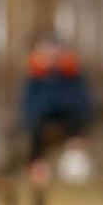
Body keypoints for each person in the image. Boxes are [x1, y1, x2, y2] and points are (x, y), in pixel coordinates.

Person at [20, 32, 94, 186]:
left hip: (69, 115)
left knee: (75, 120)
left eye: (55, 51)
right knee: (36, 129)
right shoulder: (36, 76)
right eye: (47, 51)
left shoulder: (72, 74)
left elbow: (82, 100)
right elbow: (28, 103)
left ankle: (75, 161)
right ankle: (38, 167)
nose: (52, 56)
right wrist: (32, 117)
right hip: (42, 117)